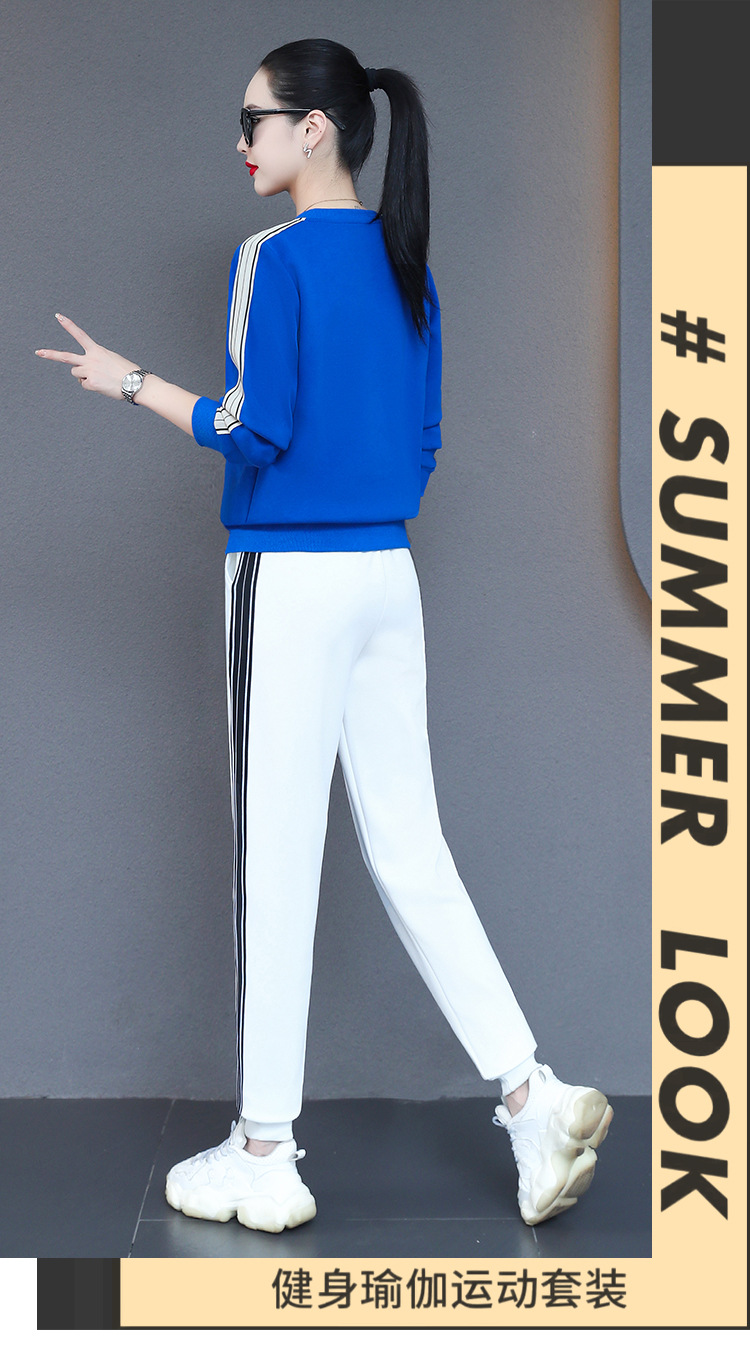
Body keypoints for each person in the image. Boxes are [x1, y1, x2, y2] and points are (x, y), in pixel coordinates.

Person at [36, 37, 613, 1234]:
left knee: (275, 859)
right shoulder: (409, 269)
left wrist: (129, 381)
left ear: (314, 129)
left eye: (252, 119)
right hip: (387, 578)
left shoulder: (274, 257)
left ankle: (265, 1150)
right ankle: (532, 1096)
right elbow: (423, 443)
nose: (241, 141)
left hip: (288, 579)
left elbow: (254, 426)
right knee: (411, 845)